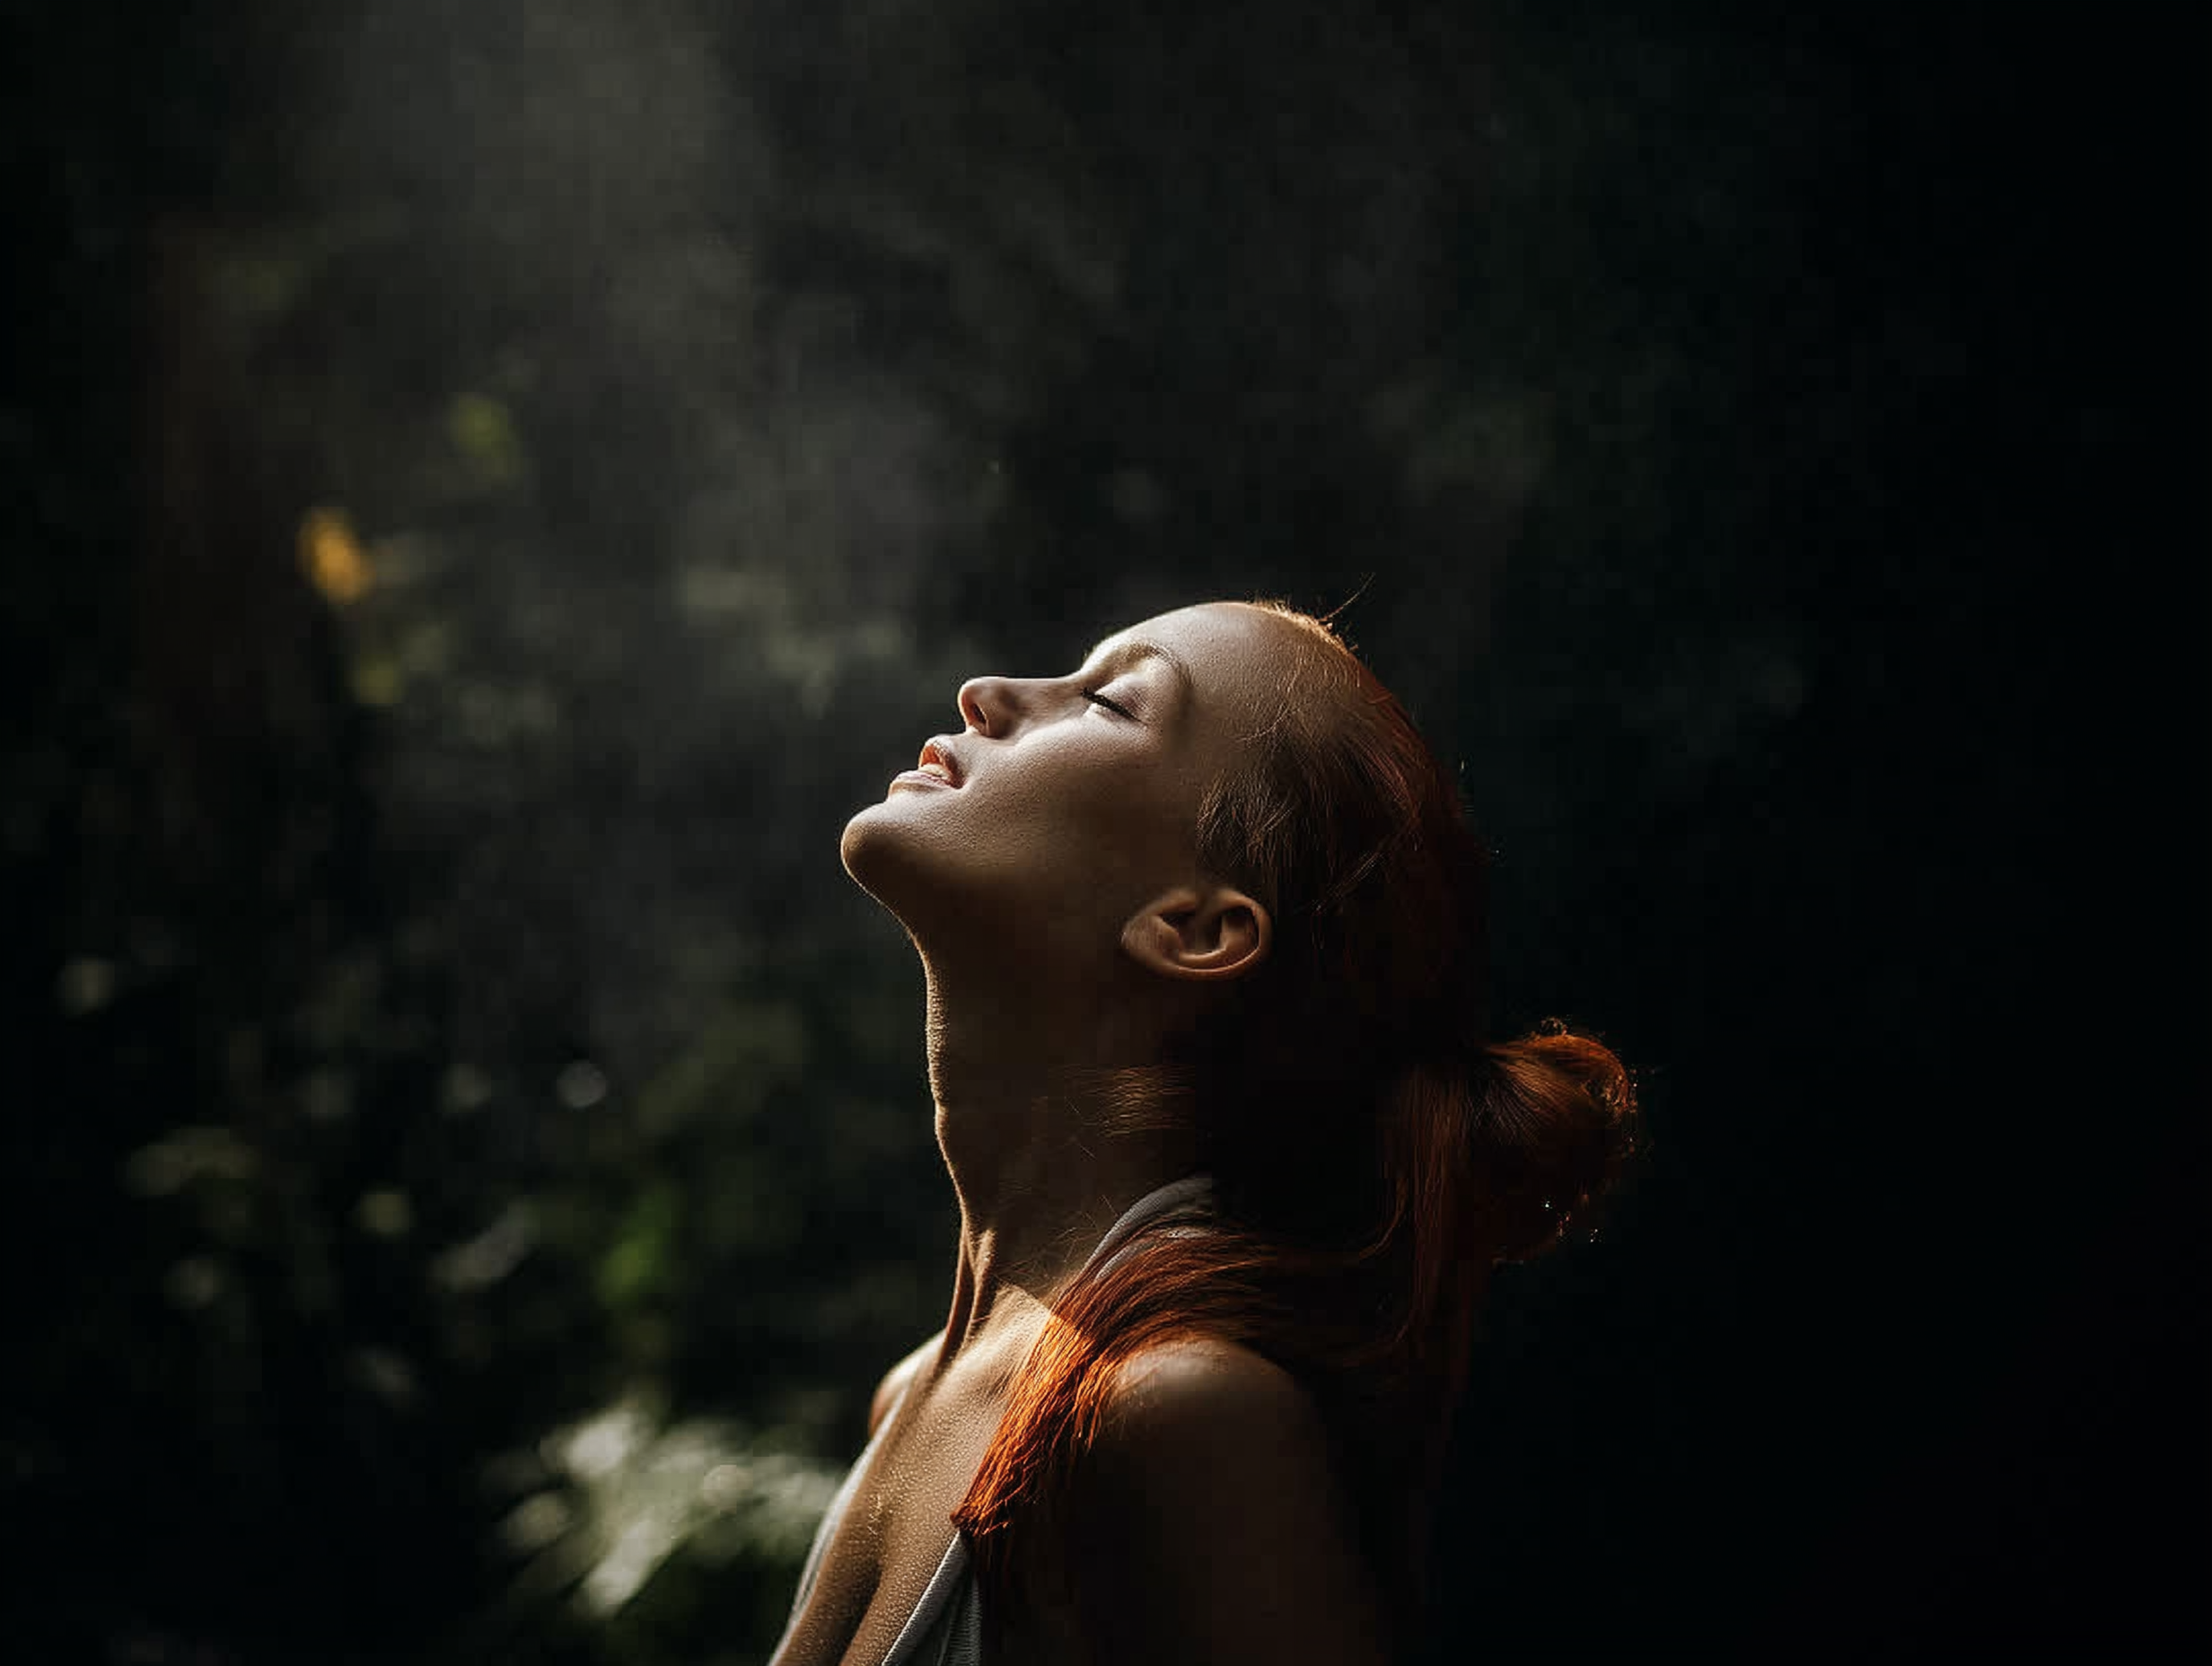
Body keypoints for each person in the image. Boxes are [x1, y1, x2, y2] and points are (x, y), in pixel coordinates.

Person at [769, 599, 1635, 1666]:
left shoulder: (1177, 1414)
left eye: (1105, 700)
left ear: (1195, 927)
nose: (986, 695)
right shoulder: (914, 1392)